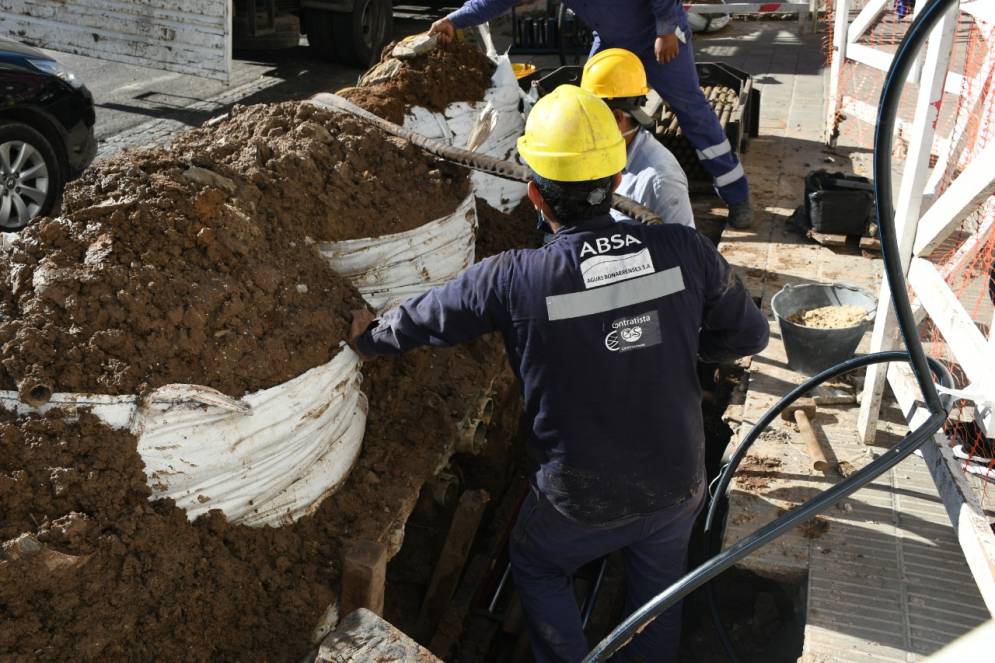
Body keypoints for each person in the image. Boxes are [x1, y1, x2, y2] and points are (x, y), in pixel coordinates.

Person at [350, 85, 769, 663]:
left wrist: (366, 335)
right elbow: (748, 336)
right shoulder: (686, 250)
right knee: (658, 598)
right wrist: (673, 345)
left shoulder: (513, 277)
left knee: (539, 565)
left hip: (581, 498)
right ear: (618, 183)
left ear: (534, 197)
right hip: (676, 479)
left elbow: (423, 321)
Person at [429, 0, 756, 229]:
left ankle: (736, 195)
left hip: (657, 37)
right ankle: (592, 199)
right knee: (589, 112)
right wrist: (454, 20)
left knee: (692, 112)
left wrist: (667, 28)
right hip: (613, 42)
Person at [580, 47, 694, 229]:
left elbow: (682, 248)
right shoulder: (602, 154)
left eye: (591, 116)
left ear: (617, 118)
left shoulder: (660, 179)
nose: (585, 124)